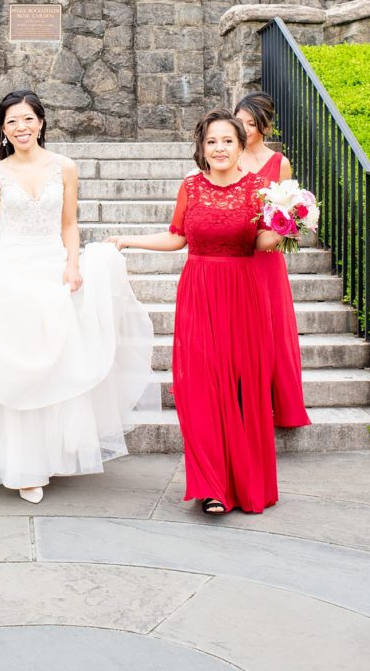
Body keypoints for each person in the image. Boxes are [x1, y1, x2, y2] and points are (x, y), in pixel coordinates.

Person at [0, 89, 154, 503]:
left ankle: (51, 454)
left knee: (53, 364)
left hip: (53, 267)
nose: (21, 127)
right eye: (12, 121)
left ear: (41, 122)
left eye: (27, 119)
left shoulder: (65, 168)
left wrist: (73, 263)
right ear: (3, 129)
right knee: (16, 367)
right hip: (11, 271)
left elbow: (69, 224)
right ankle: (23, 465)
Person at [109, 108, 281, 515]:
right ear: (201, 149)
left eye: (227, 141)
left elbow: (262, 243)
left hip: (244, 296)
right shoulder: (191, 187)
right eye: (211, 142)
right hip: (200, 294)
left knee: (243, 388)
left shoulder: (261, 188)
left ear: (241, 146)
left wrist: (288, 226)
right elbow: (177, 237)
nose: (219, 148)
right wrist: (127, 240)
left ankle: (247, 481)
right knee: (199, 388)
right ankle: (212, 486)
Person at [235, 92, 310, 429]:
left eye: (251, 123)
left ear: (264, 125)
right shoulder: (226, 156)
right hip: (235, 253)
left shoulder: (278, 162)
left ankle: (275, 402)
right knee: (238, 329)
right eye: (240, 121)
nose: (244, 128)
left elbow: (287, 208)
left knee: (269, 328)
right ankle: (238, 398)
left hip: (265, 257)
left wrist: (290, 224)